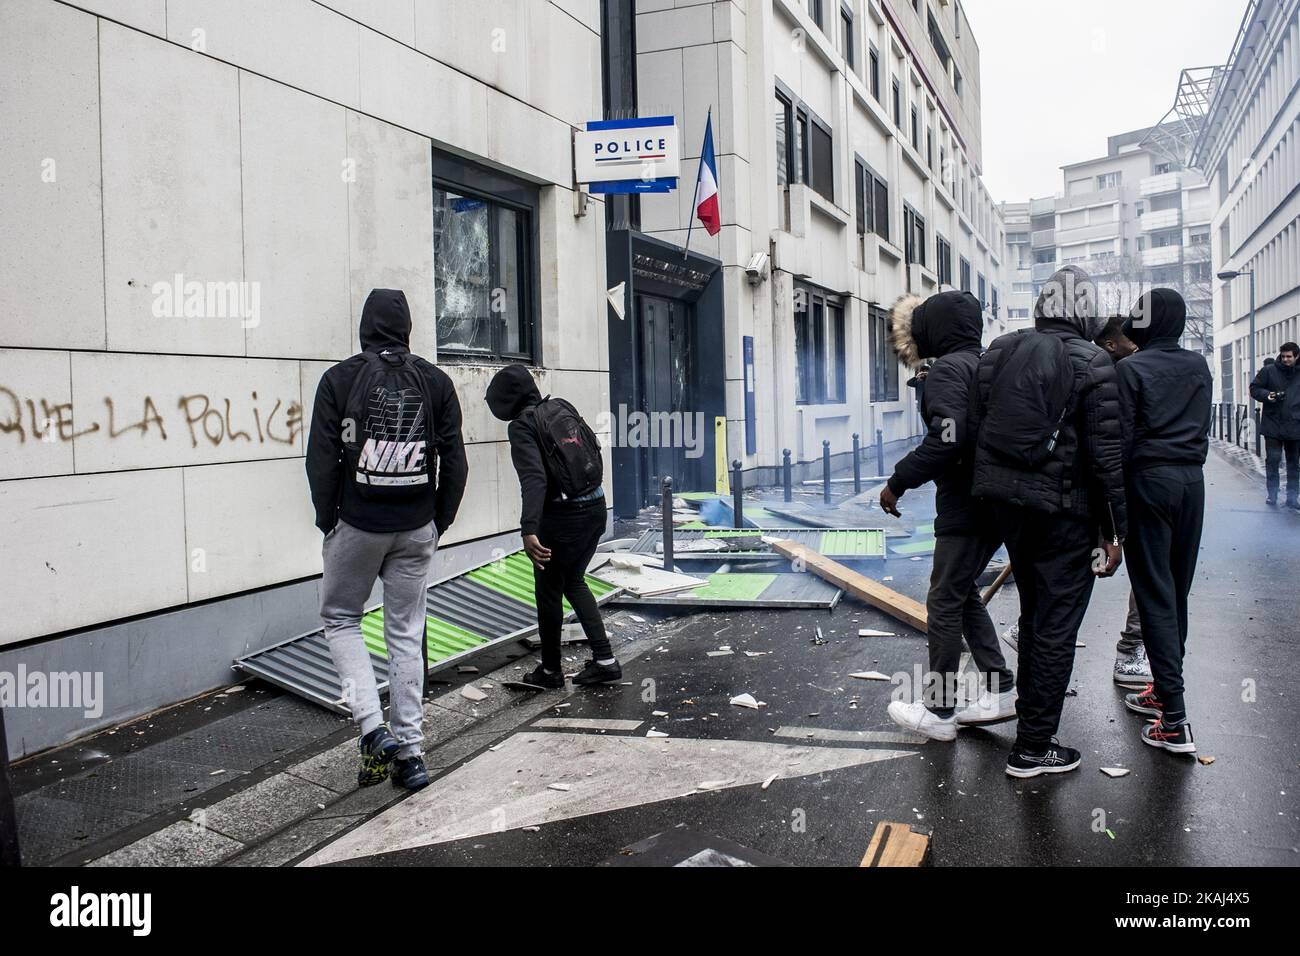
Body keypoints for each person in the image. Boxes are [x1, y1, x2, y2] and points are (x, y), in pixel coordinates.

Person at [306, 289, 468, 791]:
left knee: (340, 619)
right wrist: (438, 520)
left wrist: (328, 519)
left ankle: (373, 729)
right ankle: (413, 754)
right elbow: (456, 461)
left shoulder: (338, 380)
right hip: (416, 525)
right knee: (405, 632)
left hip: (356, 524)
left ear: (364, 328)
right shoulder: (436, 382)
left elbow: (321, 459)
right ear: (407, 329)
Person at [971, 266, 1127, 779]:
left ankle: (1031, 732)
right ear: (1087, 310)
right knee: (1057, 624)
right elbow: (1106, 458)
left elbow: (979, 428)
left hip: (1006, 509)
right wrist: (1115, 531)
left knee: (1036, 616)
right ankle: (1034, 746)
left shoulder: (999, 352)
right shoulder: (1094, 362)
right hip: (1066, 514)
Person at [881, 291, 1016, 741]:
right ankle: (999, 687)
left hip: (967, 505)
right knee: (961, 594)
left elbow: (948, 439)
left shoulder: (946, 372)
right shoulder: (990, 365)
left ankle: (939, 711)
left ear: (934, 329)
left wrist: (898, 480)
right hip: (1000, 501)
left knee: (942, 600)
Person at [1117, 290, 1212, 755]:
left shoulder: (1130, 370)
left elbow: (1123, 442)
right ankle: (1163, 689)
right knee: (1176, 592)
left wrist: (1111, 511)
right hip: (1191, 484)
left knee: (1153, 593)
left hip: (1148, 484)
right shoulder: (1198, 367)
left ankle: (1174, 720)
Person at [486, 365, 621, 688]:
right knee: (573, 581)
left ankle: (550, 671)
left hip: (563, 517)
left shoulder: (523, 425)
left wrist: (528, 528)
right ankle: (605, 660)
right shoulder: (561, 407)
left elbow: (533, 477)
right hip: (596, 506)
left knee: (548, 593)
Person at [1092, 316, 1153, 691]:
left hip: (1119, 489)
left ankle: (1132, 646)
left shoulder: (1129, 372)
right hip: (1108, 489)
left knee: (1141, 569)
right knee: (1088, 562)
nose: (1136, 345)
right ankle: (1131, 649)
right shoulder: (1108, 376)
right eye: (1130, 339)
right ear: (1112, 345)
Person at [1250, 342, 1300, 509]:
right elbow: (1254, 388)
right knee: (1273, 460)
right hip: (1273, 424)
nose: (1285, 359)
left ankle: (1292, 498)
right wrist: (1268, 395)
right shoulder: (1269, 371)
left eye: (1289, 357)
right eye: (1283, 356)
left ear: (1296, 356)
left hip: (1295, 425)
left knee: (1293, 463)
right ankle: (1272, 494)